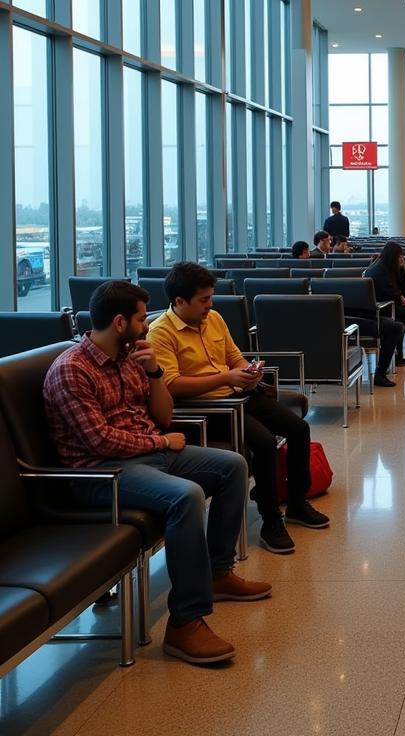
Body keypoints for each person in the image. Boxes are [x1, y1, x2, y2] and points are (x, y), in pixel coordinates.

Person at [43, 280, 272, 666]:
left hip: (147, 454)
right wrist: (162, 444)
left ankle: (218, 572)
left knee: (233, 465)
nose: (146, 325)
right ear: (119, 322)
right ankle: (185, 621)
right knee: (186, 496)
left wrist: (153, 373)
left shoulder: (131, 358)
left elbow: (162, 416)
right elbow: (100, 442)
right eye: (139, 319)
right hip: (103, 474)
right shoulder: (71, 370)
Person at [148, 262, 330, 556]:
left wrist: (248, 371)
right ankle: (271, 521)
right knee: (264, 443)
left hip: (236, 393)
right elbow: (170, 385)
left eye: (211, 298)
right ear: (179, 301)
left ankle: (297, 503)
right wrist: (225, 377)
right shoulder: (160, 333)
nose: (210, 305)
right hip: (206, 408)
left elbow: (234, 357)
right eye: (203, 300)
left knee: (299, 428)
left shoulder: (215, 319)